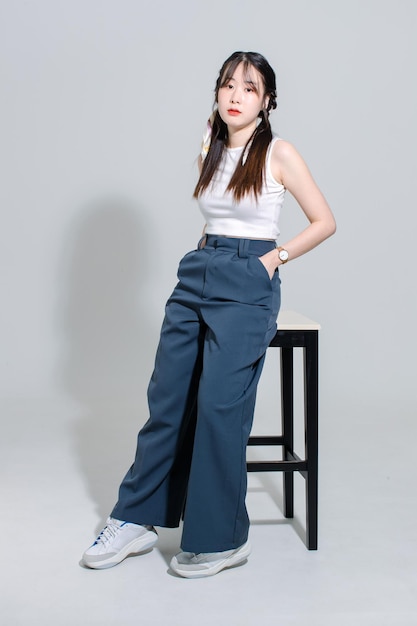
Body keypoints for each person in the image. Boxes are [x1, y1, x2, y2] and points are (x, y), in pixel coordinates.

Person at [81, 51, 336, 578]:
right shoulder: (210, 146)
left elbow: (324, 220)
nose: (235, 96)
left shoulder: (279, 152)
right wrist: (209, 254)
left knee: (220, 405)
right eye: (227, 85)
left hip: (249, 276)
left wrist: (273, 259)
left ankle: (220, 539)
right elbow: (215, 216)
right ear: (217, 93)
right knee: (167, 398)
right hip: (200, 269)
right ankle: (136, 519)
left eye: (249, 87)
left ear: (267, 101)